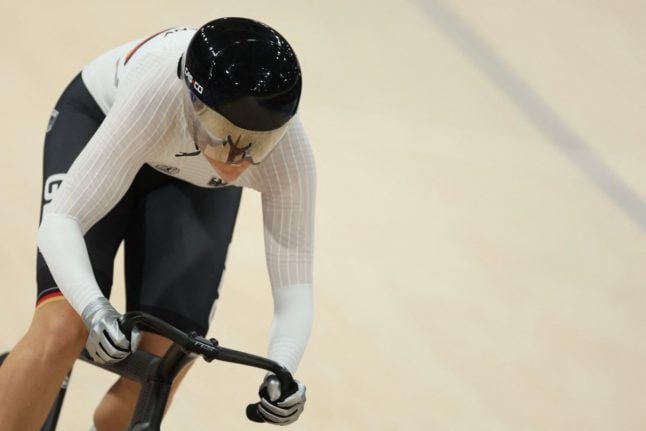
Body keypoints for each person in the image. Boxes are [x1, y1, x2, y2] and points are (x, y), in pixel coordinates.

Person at [0, 17, 314, 430]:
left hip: (193, 178)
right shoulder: (156, 91)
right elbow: (63, 218)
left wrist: (284, 368)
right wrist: (94, 308)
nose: (236, 158)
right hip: (104, 120)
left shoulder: (289, 153)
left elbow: (294, 286)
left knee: (163, 363)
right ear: (193, 99)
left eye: (257, 143)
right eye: (224, 132)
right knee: (62, 328)